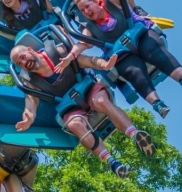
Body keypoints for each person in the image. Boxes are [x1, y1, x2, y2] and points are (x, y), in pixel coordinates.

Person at [72, 0, 182, 118]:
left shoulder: (111, 1)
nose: (86, 11)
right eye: (83, 11)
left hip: (140, 34)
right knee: (133, 71)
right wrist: (70, 55)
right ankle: (158, 104)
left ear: (96, 2)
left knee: (153, 50)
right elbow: (83, 44)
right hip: (123, 54)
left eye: (88, 6)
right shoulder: (88, 28)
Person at [11, 38, 155, 178]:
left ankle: (135, 134)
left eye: (23, 57)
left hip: (88, 89)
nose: (24, 62)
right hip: (69, 106)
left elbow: (88, 61)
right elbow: (30, 104)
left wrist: (104, 65)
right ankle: (112, 163)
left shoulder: (58, 52)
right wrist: (28, 119)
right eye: (20, 63)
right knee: (74, 124)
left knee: (101, 102)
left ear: (30, 50)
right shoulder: (30, 82)